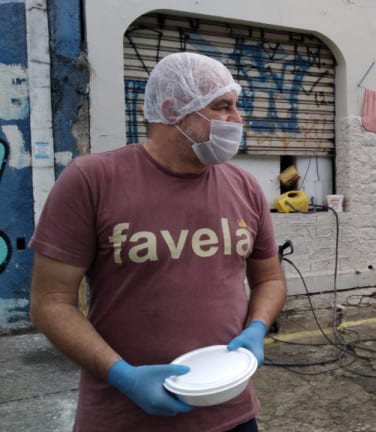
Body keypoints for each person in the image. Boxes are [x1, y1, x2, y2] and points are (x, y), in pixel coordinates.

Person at [29, 52, 287, 432]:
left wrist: (257, 327)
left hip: (231, 412)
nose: (238, 119)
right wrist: (122, 375)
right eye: (222, 107)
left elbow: (270, 280)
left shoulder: (244, 186)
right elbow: (50, 303)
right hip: (124, 418)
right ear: (172, 110)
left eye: (237, 107)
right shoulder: (91, 180)